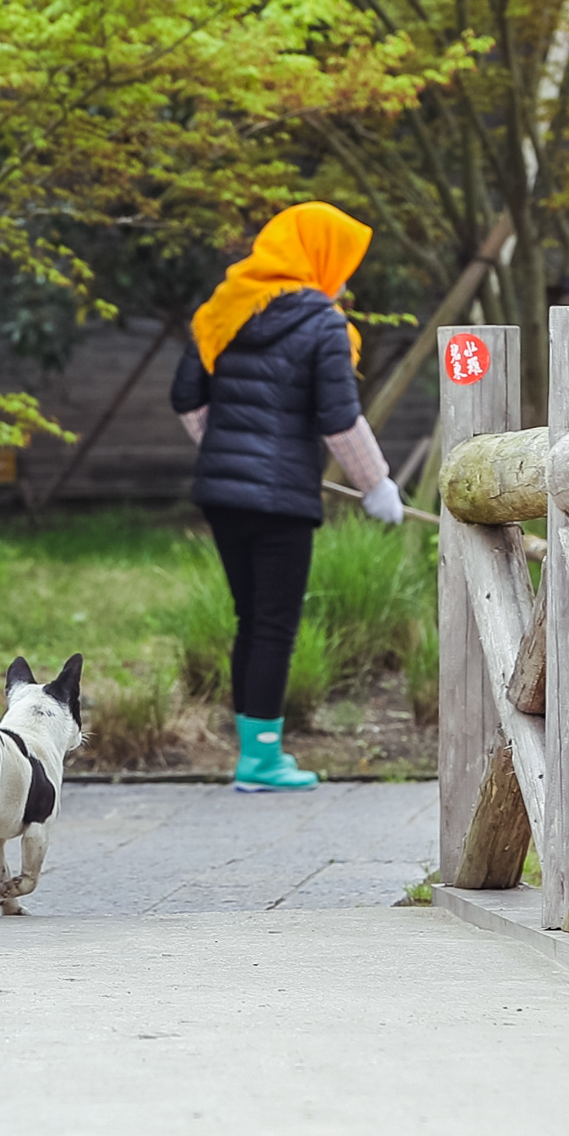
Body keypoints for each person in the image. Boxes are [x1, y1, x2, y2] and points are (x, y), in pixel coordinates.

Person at [169, 202, 405, 792]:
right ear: (318, 256)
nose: (346, 280)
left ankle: (254, 754)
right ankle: (263, 759)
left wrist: (223, 451)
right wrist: (376, 486)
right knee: (276, 623)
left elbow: (187, 398)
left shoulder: (224, 306)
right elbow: (340, 422)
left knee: (251, 618)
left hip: (221, 494)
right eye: (343, 264)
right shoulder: (323, 323)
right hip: (280, 500)